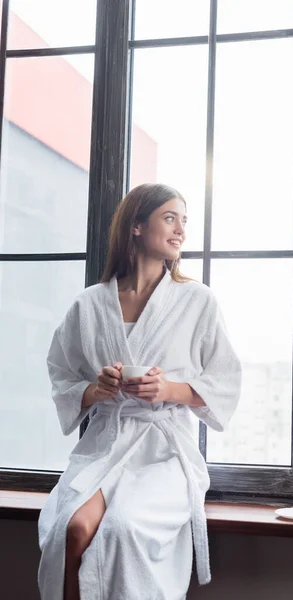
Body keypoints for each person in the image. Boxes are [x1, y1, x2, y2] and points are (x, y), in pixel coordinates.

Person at [38, 183, 241, 600]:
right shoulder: (90, 305)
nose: (181, 230)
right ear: (136, 226)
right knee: (70, 530)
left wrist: (167, 389)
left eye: (184, 220)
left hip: (161, 451)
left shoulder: (197, 301)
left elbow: (223, 381)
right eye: (170, 218)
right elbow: (61, 373)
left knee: (123, 528)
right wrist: (97, 390)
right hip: (106, 444)